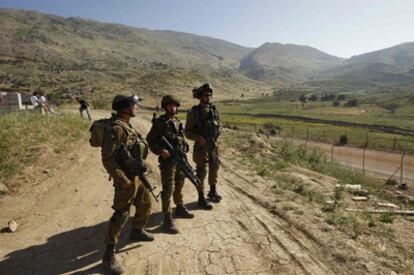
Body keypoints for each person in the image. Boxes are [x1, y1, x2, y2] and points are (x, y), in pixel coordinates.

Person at [101, 94, 154, 274]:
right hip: (126, 179)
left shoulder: (127, 125)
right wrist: (122, 179)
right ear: (125, 107)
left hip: (136, 175)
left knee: (146, 203)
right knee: (121, 214)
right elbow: (108, 159)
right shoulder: (116, 128)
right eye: (134, 105)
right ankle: (109, 254)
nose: (137, 107)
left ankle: (137, 230)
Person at [146, 95, 195, 234]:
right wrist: (161, 151)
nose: (173, 108)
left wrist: (185, 147)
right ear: (165, 106)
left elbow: (181, 138)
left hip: (179, 159)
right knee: (168, 188)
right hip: (168, 162)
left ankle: (179, 207)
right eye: (170, 105)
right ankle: (167, 219)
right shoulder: (160, 122)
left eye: (175, 105)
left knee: (180, 183)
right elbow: (150, 140)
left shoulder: (178, 121)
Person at [185, 83, 222, 205]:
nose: (209, 97)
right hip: (201, 147)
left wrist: (217, 135)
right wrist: (198, 138)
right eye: (206, 95)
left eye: (210, 95)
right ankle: (201, 197)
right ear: (200, 96)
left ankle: (212, 191)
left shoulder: (214, 109)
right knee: (202, 171)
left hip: (213, 145)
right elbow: (188, 132)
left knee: (214, 167)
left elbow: (219, 124)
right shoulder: (193, 112)